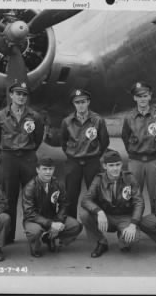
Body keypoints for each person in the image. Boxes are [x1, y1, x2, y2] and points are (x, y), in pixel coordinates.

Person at [0, 81, 44, 243]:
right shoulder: (0, 116)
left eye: (24, 94)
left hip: (28, 158)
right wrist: (5, 153)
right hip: (9, 158)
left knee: (32, 197)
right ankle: (8, 235)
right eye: (18, 94)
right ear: (11, 95)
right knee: (8, 198)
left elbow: (38, 137)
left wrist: (29, 150)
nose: (21, 97)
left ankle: (33, 235)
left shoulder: (35, 116)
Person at [80, 150, 145, 258]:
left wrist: (133, 224)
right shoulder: (99, 179)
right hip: (106, 216)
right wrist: (99, 212)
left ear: (121, 165)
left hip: (125, 216)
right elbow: (86, 200)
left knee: (134, 238)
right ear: (105, 166)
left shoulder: (129, 178)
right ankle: (101, 242)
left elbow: (139, 202)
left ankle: (123, 236)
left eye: (117, 165)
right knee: (84, 215)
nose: (115, 168)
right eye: (111, 165)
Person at [60, 88, 110, 218]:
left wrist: (96, 154)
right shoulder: (67, 121)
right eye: (77, 102)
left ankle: (95, 228)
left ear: (88, 102)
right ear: (73, 104)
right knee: (70, 195)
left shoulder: (98, 120)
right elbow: (63, 142)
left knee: (95, 195)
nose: (80, 105)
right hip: (73, 163)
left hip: (91, 162)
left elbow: (104, 141)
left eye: (83, 102)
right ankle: (71, 226)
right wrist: (72, 155)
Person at [121, 81, 156, 212]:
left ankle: (154, 225)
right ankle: (134, 225)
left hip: (154, 161)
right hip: (135, 161)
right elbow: (125, 136)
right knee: (134, 196)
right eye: (139, 96)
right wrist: (133, 152)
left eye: (145, 96)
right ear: (134, 98)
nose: (142, 99)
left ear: (150, 96)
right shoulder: (129, 117)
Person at [22, 156, 83, 257]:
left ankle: (50, 238)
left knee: (76, 226)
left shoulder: (58, 184)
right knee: (34, 232)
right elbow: (29, 213)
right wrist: (51, 224)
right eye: (44, 169)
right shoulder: (30, 187)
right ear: (37, 170)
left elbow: (64, 204)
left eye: (50, 169)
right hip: (34, 220)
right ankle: (35, 245)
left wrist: (58, 222)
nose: (48, 172)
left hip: (52, 217)